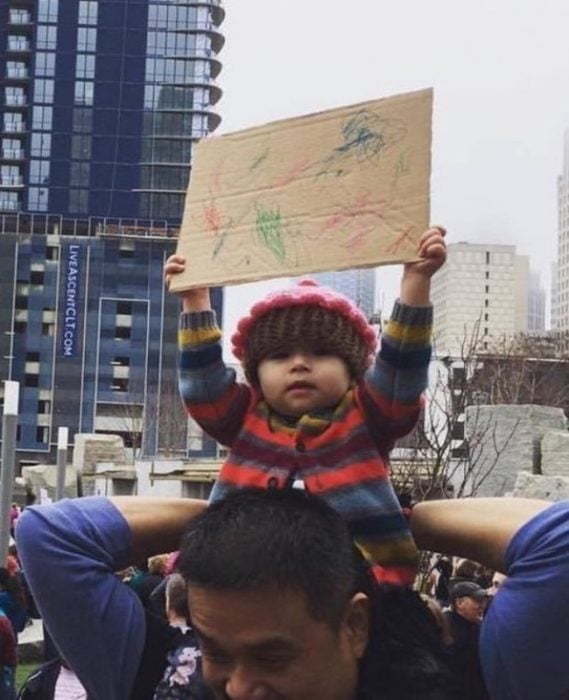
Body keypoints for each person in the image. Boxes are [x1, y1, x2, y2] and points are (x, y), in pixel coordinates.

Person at [14, 488, 569, 700]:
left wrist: (380, 518)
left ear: (354, 626)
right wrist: (244, 514)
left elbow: (558, 541)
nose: (238, 687)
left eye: (272, 656)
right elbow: (48, 535)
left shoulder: (470, 680)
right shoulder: (160, 679)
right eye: (215, 650)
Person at [164, 226, 447, 584]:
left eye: (322, 352)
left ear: (353, 370)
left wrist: (416, 283)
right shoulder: (245, 415)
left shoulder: (368, 411)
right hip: (242, 581)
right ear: (255, 373)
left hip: (358, 585)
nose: (299, 364)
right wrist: (196, 300)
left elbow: (401, 369)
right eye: (280, 355)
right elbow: (202, 386)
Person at [443, 582, 489, 700]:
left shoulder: (478, 626)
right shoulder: (445, 628)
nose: (482, 606)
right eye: (477, 601)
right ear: (459, 603)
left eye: (483, 601)